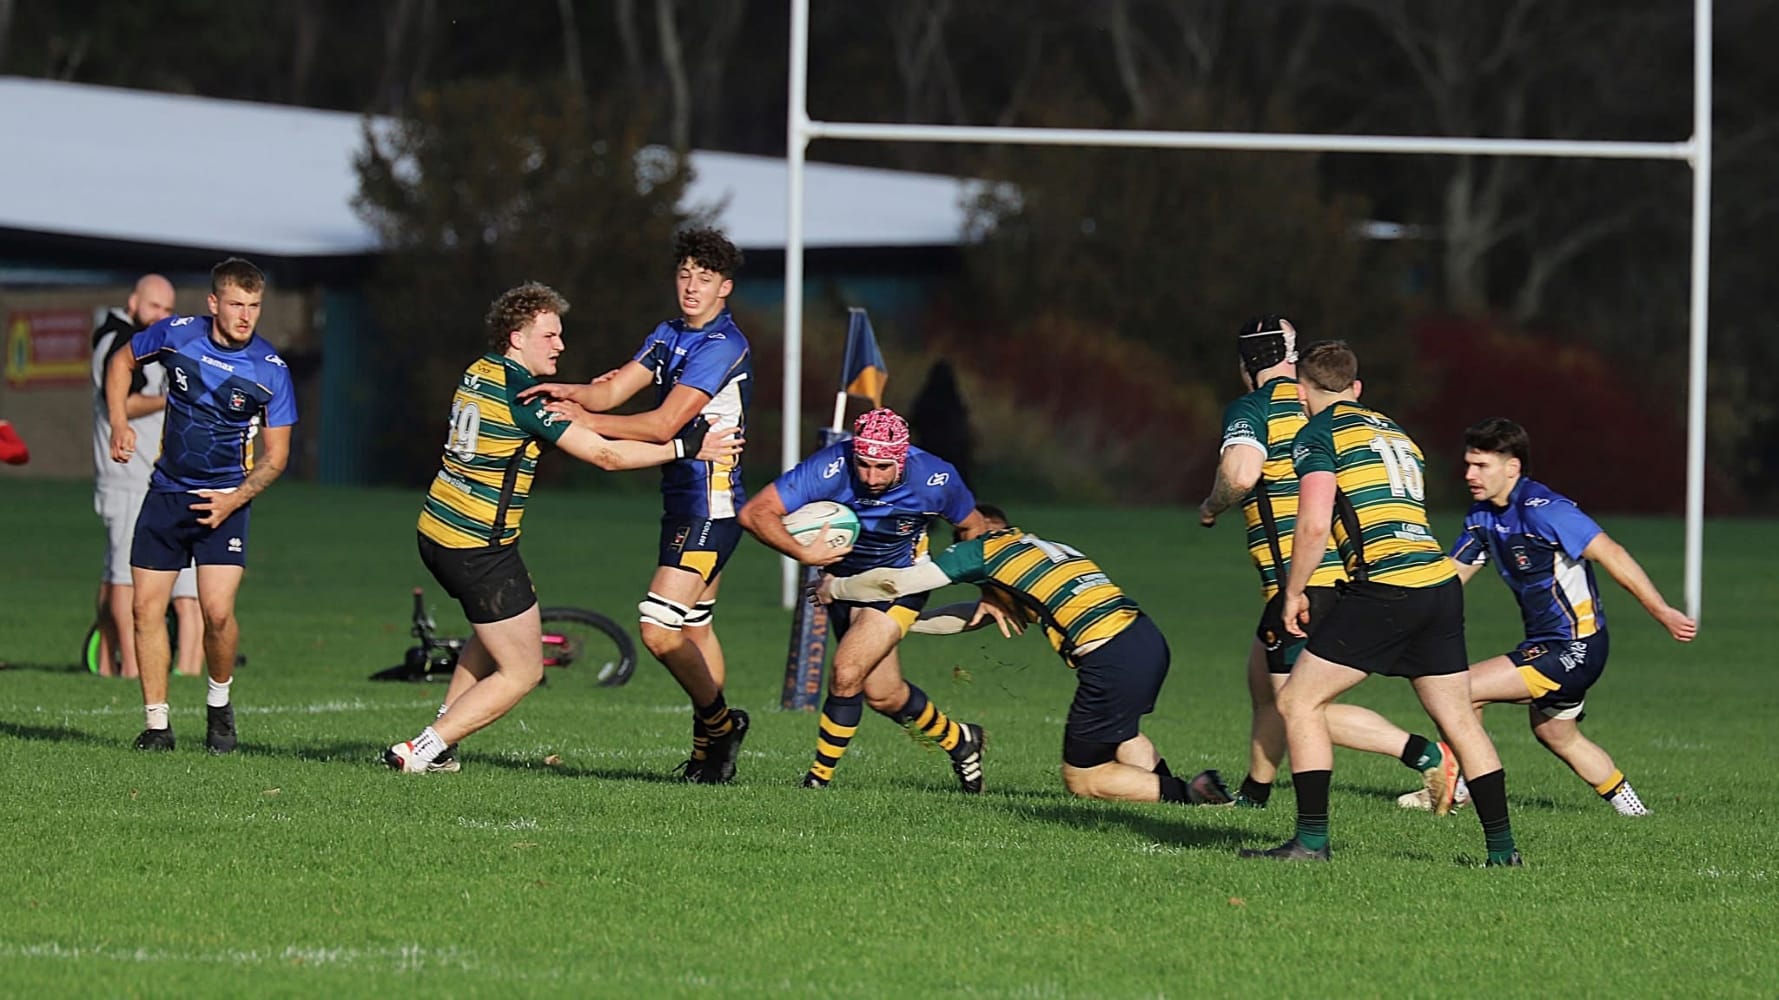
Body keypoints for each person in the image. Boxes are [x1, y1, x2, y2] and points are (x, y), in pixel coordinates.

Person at [386, 282, 741, 774]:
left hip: (437, 530)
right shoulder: (521, 395)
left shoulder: (480, 372)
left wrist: (586, 408)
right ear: (516, 336)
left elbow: (517, 437)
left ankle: (445, 741)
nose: (560, 345)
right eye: (550, 335)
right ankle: (421, 750)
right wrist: (687, 448)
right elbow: (607, 456)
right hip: (478, 545)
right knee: (523, 670)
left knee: (492, 633)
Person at [1237, 340, 1522, 866]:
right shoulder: (1396, 432)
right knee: (1459, 720)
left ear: (1302, 393)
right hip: (1437, 584)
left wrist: (1294, 591)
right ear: (1357, 389)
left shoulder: (1316, 433)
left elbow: (1315, 521)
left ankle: (1311, 843)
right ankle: (1503, 853)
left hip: (1387, 585)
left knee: (1298, 702)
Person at [519, 229, 752, 783]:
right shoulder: (669, 334)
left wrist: (584, 423)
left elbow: (663, 424)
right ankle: (708, 758)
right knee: (694, 629)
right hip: (682, 499)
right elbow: (613, 391)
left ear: (726, 287)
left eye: (705, 277)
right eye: (684, 274)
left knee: (657, 626)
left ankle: (722, 726)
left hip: (711, 503)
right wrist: (568, 392)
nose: (692, 286)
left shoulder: (721, 345)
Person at [1198, 316, 1457, 811]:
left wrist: (1212, 505)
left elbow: (1241, 472)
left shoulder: (1256, 406)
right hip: (1345, 572)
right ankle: (1255, 792)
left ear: (1247, 363)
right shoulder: (1323, 408)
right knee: (1263, 680)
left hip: (1304, 582)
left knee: (1298, 703)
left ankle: (1427, 756)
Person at [818, 504, 1232, 805]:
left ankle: (1190, 795)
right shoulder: (1038, 548)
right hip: (1144, 639)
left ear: (973, 530)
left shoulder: (977, 552)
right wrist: (900, 626)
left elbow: (896, 585)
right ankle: (1174, 791)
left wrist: (834, 589)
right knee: (1121, 732)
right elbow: (974, 617)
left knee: (1083, 779)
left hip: (1109, 656)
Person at [1395, 417, 1696, 814]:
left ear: (1512, 467)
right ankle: (1636, 811)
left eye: (1481, 465)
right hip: (1547, 646)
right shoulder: (1482, 517)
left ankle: (1458, 786)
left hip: (1575, 646)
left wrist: (1662, 611)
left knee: (1458, 691)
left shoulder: (1545, 510)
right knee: (1556, 735)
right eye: (1468, 464)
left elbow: (1613, 554)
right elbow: (1450, 579)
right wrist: (1394, 611)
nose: (1470, 474)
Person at [738, 408, 993, 792]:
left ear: (902, 458)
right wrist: (803, 553)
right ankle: (962, 741)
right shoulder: (830, 466)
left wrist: (984, 588)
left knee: (845, 672)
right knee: (883, 694)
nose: (871, 476)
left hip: (899, 583)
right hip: (842, 582)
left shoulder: (936, 478)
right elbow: (756, 512)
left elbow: (973, 526)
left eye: (882, 467)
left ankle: (816, 782)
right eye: (863, 464)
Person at [104, 258, 297, 754]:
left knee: (215, 613)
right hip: (166, 493)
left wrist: (233, 499)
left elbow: (276, 458)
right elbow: (121, 362)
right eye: (236, 304)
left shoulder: (270, 371)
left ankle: (219, 705)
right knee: (145, 608)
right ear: (214, 303)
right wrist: (120, 420)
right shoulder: (177, 335)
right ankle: (156, 726)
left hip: (225, 502)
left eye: (254, 306)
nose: (245, 315)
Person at [91, 273, 203, 680]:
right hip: (126, 477)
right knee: (122, 577)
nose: (162, 316)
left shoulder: (158, 343)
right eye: (155, 306)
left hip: (163, 478)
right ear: (133, 301)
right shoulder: (116, 340)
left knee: (126, 578)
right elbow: (117, 398)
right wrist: (169, 400)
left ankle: (119, 665)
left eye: (169, 309)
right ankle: (128, 669)